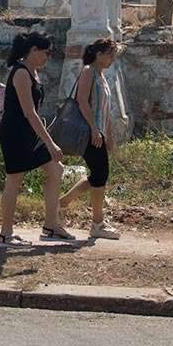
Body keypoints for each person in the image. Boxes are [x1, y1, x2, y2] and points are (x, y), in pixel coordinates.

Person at [0, 31, 74, 248]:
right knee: (14, 181)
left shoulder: (32, 71)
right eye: (46, 52)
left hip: (28, 133)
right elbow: (29, 112)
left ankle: (51, 225)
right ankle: (6, 234)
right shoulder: (21, 73)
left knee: (55, 169)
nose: (48, 57)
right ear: (33, 50)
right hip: (15, 133)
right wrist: (50, 142)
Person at [59, 38, 121, 240]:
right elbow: (82, 102)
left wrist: (109, 136)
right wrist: (94, 129)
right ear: (99, 54)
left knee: (98, 174)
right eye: (110, 54)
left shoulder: (102, 77)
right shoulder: (88, 71)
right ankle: (97, 223)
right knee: (100, 174)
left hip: (99, 132)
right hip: (88, 132)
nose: (112, 58)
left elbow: (105, 111)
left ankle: (63, 203)